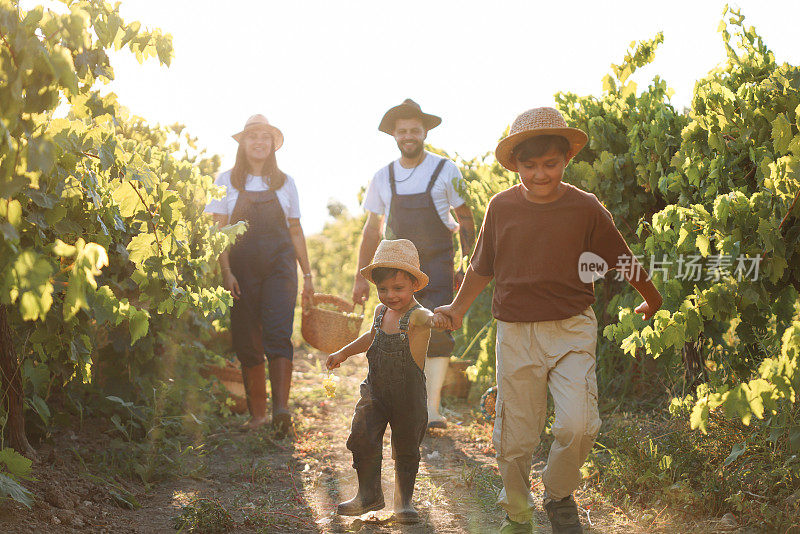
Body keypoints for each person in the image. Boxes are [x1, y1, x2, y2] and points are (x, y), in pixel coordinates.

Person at [434, 107, 663, 534]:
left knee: (579, 424)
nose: (540, 174)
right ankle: (518, 514)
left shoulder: (585, 208)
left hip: (572, 328)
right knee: (516, 436)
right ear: (515, 164)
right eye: (530, 165)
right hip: (517, 334)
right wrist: (458, 310)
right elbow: (483, 266)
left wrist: (652, 298)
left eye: (550, 164)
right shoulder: (502, 207)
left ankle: (558, 495)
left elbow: (622, 258)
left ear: (566, 160)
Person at [352, 99, 476, 429]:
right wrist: (360, 276)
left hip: (437, 260)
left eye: (415, 130)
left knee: (437, 327)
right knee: (395, 331)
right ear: (394, 134)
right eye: (402, 130)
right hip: (396, 266)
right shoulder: (383, 176)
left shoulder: (445, 169)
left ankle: (432, 408)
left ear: (425, 132)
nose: (409, 135)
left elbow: (465, 218)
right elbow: (371, 227)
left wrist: (467, 263)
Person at [205, 114, 314, 435]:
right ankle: (258, 415)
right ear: (242, 142)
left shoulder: (285, 182)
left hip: (280, 268)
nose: (259, 142)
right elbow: (219, 231)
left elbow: (295, 230)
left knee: (279, 334)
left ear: (273, 144)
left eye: (265, 137)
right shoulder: (225, 181)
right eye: (253, 136)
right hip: (241, 269)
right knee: (247, 339)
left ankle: (281, 411)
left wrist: (307, 275)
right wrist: (226, 272)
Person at [328, 239, 448, 524]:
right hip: (376, 391)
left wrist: (440, 318)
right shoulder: (380, 312)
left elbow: (429, 318)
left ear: (414, 286)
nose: (390, 295)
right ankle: (368, 494)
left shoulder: (417, 315)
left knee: (406, 447)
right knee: (363, 437)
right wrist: (344, 352)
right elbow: (371, 337)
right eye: (383, 289)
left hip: (407, 397)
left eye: (398, 288)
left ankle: (403, 502)